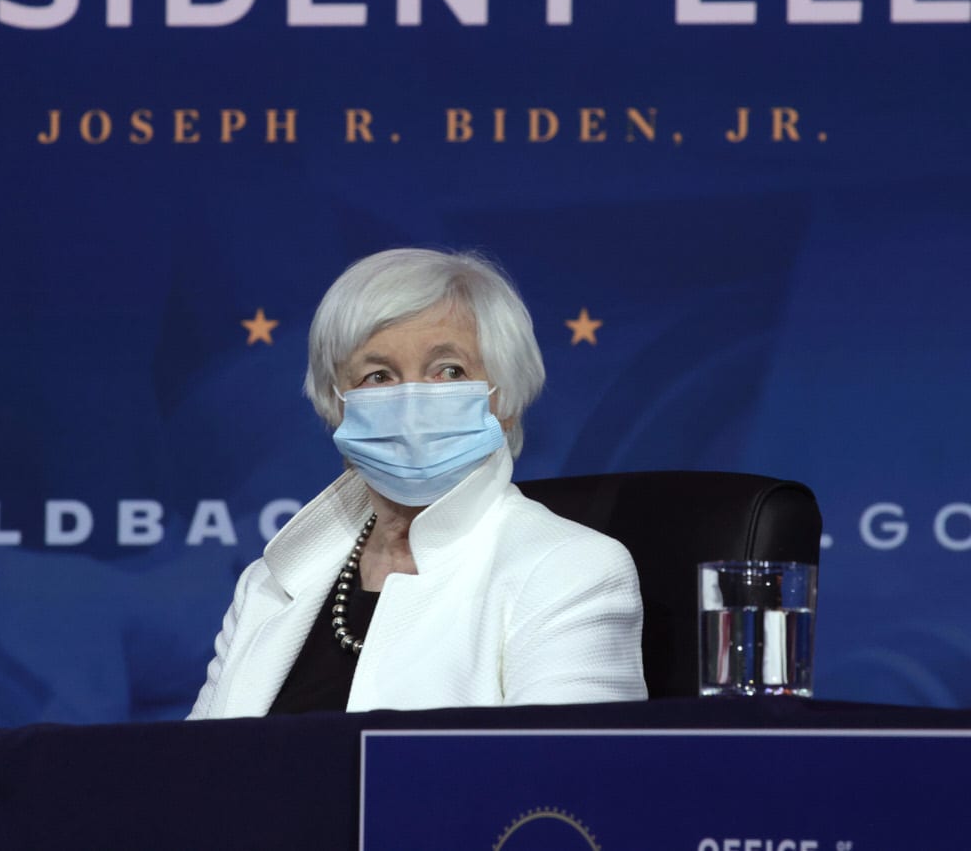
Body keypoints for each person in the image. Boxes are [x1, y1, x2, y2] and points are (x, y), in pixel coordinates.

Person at [188, 248, 646, 718]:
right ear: (336, 405)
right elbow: (190, 770)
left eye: (449, 371)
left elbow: (561, 779)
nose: (412, 400)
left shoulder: (571, 570)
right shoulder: (269, 582)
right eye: (378, 375)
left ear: (503, 400)